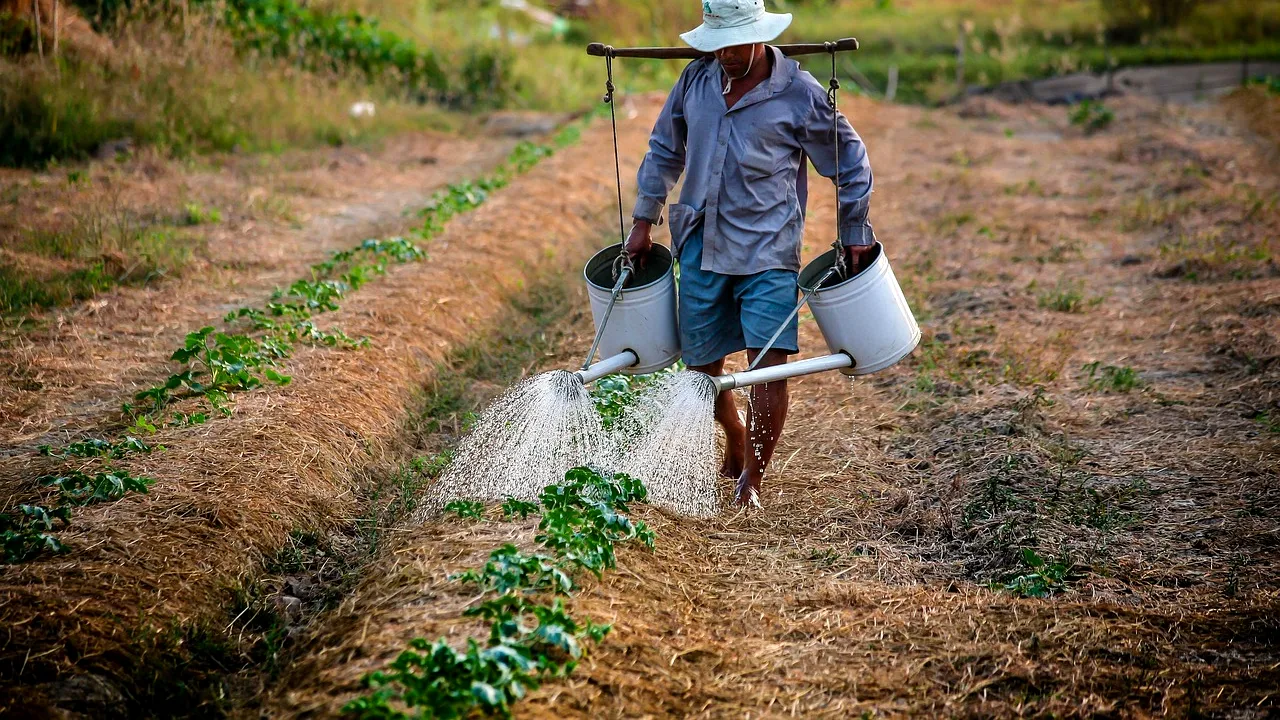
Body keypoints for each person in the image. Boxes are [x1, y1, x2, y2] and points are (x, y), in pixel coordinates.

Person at [624, 0, 876, 507]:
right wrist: (643, 219)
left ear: (760, 36)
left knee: (769, 364)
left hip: (768, 246)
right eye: (718, 44)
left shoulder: (799, 93)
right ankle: (734, 433)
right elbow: (663, 149)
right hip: (699, 241)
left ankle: (751, 482)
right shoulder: (696, 81)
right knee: (702, 368)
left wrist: (854, 228)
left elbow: (850, 159)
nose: (728, 54)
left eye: (736, 44)